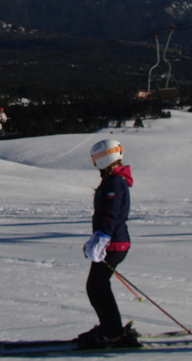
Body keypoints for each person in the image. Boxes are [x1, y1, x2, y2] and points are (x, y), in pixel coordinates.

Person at [77, 139, 140, 350]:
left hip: (114, 243)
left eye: (96, 158)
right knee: (98, 286)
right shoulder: (113, 179)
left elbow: (113, 214)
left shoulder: (115, 182)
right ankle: (110, 329)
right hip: (112, 242)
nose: (94, 163)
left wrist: (102, 237)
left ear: (106, 157)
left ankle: (113, 334)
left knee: (97, 287)